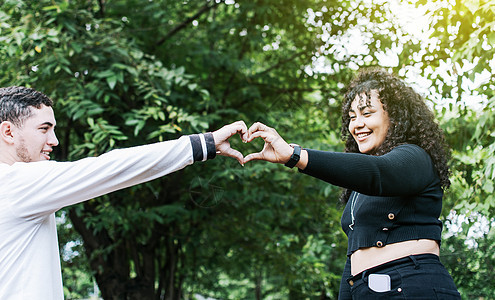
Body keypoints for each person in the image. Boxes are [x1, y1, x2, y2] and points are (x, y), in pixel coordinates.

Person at [0, 86, 248, 300]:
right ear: (9, 132)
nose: (54, 140)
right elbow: (110, 169)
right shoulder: (15, 184)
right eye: (44, 129)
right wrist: (204, 144)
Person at [244, 68, 461, 299]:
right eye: (352, 117)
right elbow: (354, 260)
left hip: (412, 286)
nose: (356, 124)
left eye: (367, 114)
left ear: (396, 117)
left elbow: (379, 173)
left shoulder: (415, 157)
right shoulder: (359, 190)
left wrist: (294, 155)